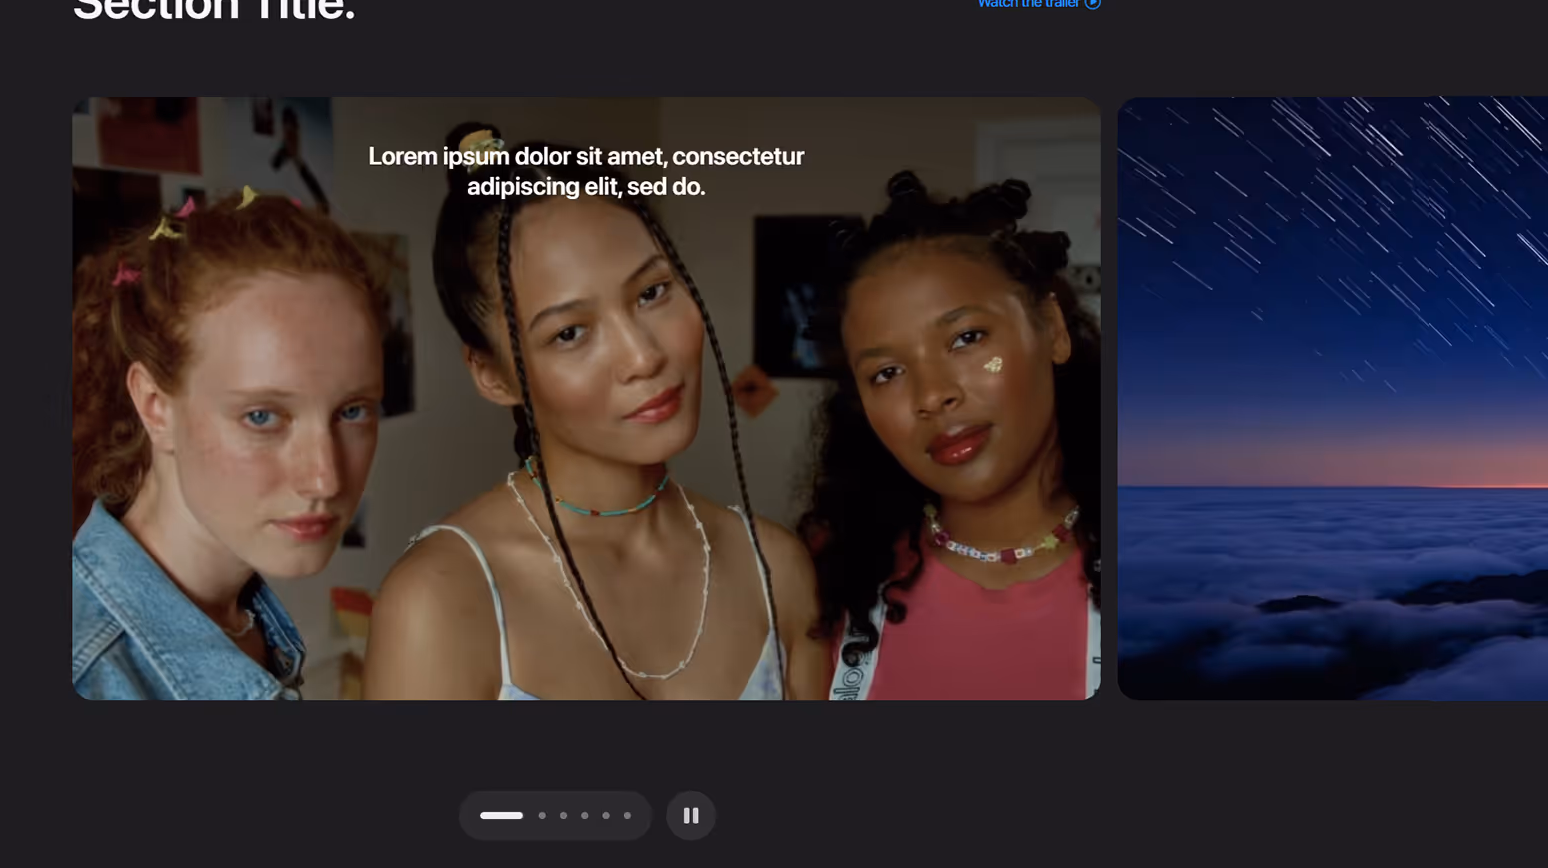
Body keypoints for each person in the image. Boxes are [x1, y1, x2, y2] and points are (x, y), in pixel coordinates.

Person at [363, 123, 823, 700]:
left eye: (652, 293)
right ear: (492, 374)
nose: (643, 356)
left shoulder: (775, 569)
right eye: (571, 332)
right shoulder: (440, 602)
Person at [72, 189, 388, 699]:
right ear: (155, 405)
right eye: (262, 416)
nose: (324, 478)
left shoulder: (244, 621)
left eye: (352, 411)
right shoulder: (92, 678)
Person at [800, 172, 1101, 700]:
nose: (932, 394)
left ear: (1051, 329)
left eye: (966, 338)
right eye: (886, 373)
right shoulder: (820, 584)